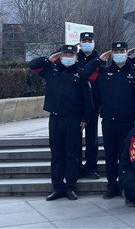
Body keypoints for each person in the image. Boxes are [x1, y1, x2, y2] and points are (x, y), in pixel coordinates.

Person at [29, 44, 93, 201]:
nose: (68, 58)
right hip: (56, 119)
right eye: (65, 55)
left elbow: (88, 100)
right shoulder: (52, 70)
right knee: (57, 154)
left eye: (71, 55)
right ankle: (57, 187)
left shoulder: (81, 74)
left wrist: (85, 118)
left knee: (72, 154)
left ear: (76, 57)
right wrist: (49, 59)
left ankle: (70, 186)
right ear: (60, 56)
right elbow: (33, 65)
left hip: (74, 119)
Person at [83, 41, 135, 199]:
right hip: (108, 120)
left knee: (126, 155)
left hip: (127, 121)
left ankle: (126, 185)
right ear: (111, 54)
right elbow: (84, 75)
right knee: (110, 155)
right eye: (115, 52)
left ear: (127, 53)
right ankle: (112, 185)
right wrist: (99, 60)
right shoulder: (103, 72)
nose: (119, 54)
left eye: (122, 51)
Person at [76, 31, 100, 180]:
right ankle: (76, 166)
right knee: (75, 138)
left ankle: (91, 167)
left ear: (93, 42)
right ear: (80, 43)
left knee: (92, 138)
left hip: (93, 103)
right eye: (84, 41)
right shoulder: (74, 57)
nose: (87, 43)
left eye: (89, 41)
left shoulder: (99, 60)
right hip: (76, 104)